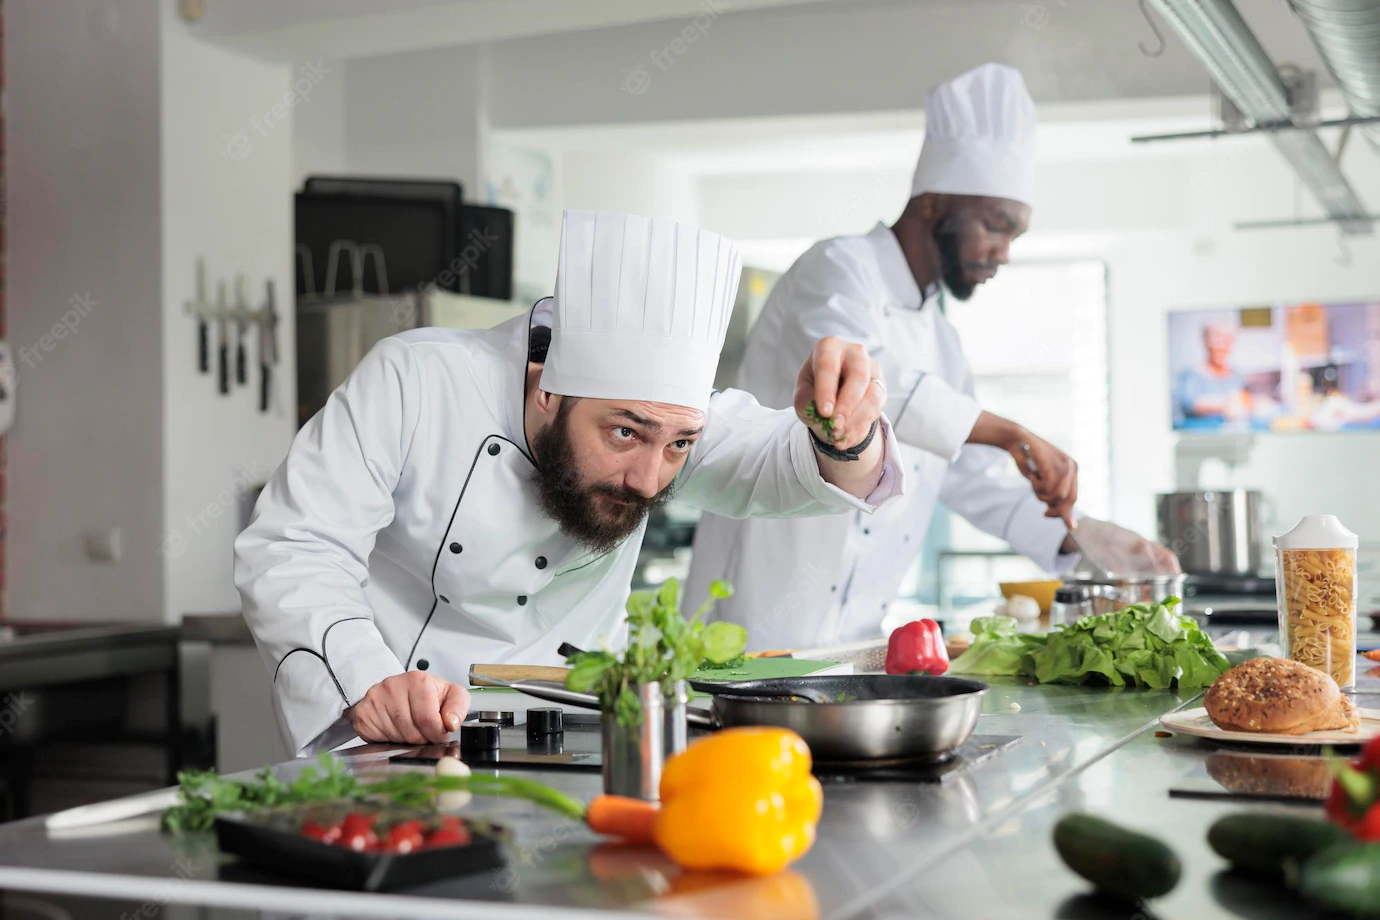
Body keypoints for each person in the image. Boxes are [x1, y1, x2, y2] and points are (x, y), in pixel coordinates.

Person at [236, 210, 904, 756]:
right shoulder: (417, 383)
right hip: (396, 742)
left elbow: (795, 470)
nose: (648, 478)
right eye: (623, 434)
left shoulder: (666, 422)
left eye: (679, 446)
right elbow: (295, 548)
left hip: (578, 743)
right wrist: (367, 678)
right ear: (551, 389)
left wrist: (845, 430)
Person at [687, 63, 1176, 651]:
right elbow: (857, 379)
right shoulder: (839, 268)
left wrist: (1081, 539)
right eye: (997, 226)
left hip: (854, 638)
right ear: (934, 203)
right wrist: (1011, 431)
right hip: (751, 614)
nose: (1003, 253)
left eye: (1015, 236)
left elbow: (972, 477)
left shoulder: (941, 341)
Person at [1176, 323, 1249, 425]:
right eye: (1217, 340)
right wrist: (1225, 403)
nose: (1222, 346)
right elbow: (1189, 404)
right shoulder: (1191, 374)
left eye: (1227, 340)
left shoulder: (1236, 375)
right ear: (1205, 341)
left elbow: (1244, 402)